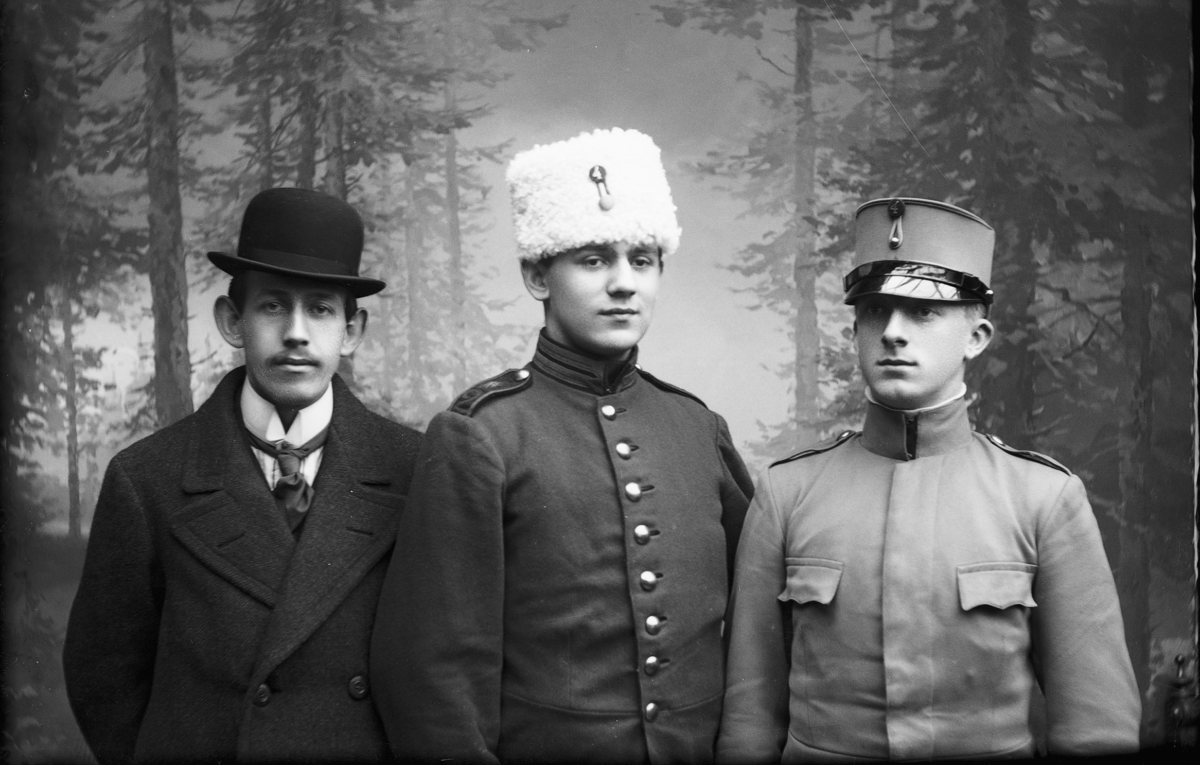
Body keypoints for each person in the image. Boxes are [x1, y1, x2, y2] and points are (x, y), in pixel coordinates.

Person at [370, 128, 754, 764]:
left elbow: (759, 631)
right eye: (594, 260)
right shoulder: (481, 435)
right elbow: (433, 679)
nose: (624, 283)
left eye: (642, 260)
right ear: (536, 275)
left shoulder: (697, 429)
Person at [716, 197, 1141, 762]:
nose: (893, 332)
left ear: (976, 337)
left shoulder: (1043, 499)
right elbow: (748, 724)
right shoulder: (787, 494)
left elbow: (1096, 727)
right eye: (876, 311)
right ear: (856, 331)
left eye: (922, 312)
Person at [63, 187, 423, 762]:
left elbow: (441, 664)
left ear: (352, 331)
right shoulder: (147, 479)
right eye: (273, 306)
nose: (297, 332)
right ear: (233, 321)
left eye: (321, 310)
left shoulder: (414, 469)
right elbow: (103, 674)